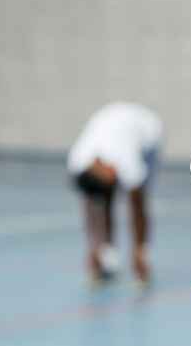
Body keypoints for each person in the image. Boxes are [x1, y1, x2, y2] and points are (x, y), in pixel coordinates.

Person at [67, 103, 162, 285]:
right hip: (109, 119)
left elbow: (138, 209)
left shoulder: (127, 159)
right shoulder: (77, 162)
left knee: (139, 195)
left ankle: (141, 254)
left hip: (148, 131)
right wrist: (94, 248)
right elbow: (91, 208)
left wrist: (139, 253)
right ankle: (107, 255)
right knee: (101, 201)